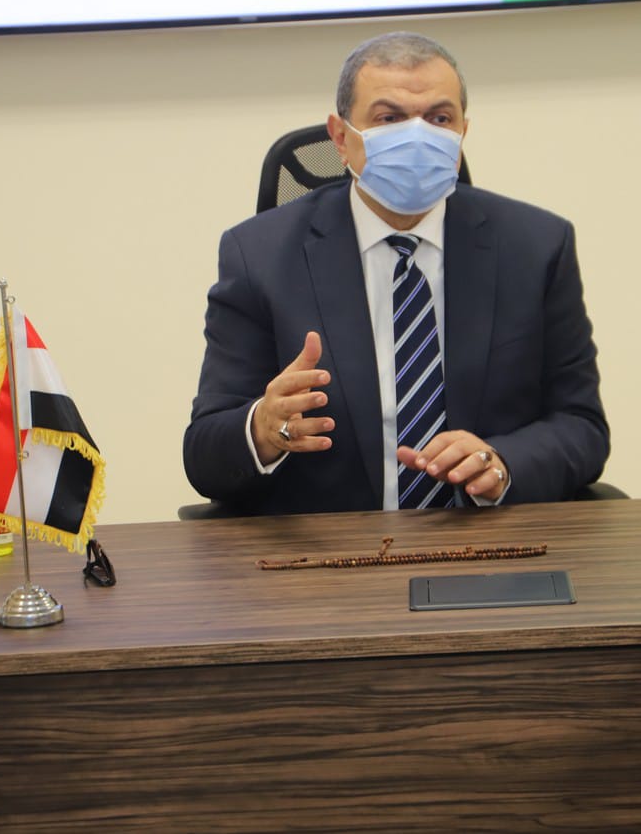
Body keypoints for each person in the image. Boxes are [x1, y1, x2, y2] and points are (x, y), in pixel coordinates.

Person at [183, 31, 609, 516]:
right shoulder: (259, 256)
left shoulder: (537, 247)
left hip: (486, 540)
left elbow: (582, 426)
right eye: (390, 118)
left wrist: (502, 465)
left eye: (439, 119)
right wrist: (263, 428)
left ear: (462, 134)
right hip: (328, 547)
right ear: (341, 137)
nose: (418, 136)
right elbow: (204, 455)